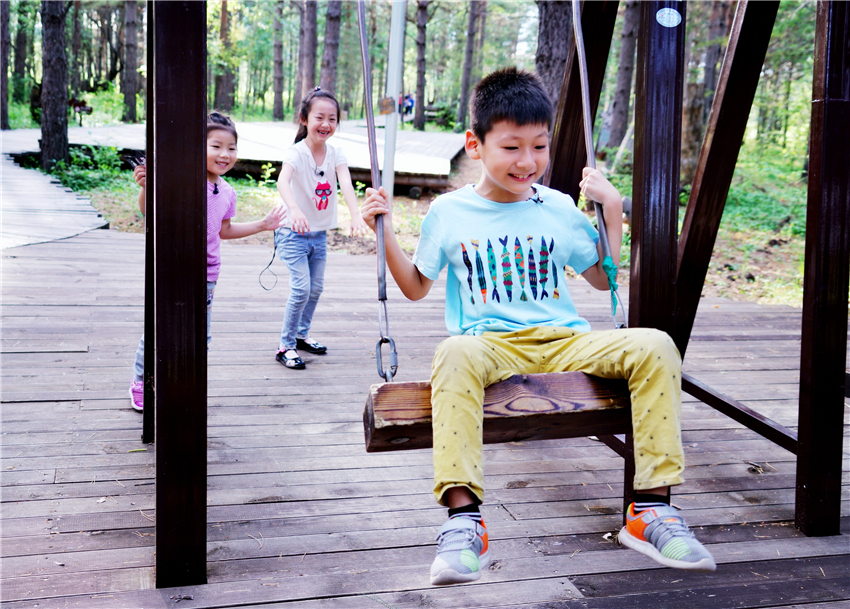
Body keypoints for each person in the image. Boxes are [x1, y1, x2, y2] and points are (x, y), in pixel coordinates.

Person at [360, 67, 716, 586]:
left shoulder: (559, 207)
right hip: (489, 346)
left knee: (655, 345)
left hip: (564, 341)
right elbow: (415, 286)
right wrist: (384, 232)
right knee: (453, 352)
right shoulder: (450, 211)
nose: (528, 162)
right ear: (475, 145)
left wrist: (611, 210)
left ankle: (649, 511)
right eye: (511, 147)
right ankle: (465, 521)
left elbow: (601, 279)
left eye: (540, 147)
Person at [128, 112, 285, 411]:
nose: (225, 154)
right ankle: (141, 380)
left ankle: (183, 379)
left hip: (207, 273)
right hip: (172, 265)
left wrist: (263, 224)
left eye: (231, 148)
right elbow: (150, 212)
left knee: (201, 333)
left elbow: (224, 230)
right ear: (198, 145)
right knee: (160, 326)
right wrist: (146, 187)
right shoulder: (180, 179)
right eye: (216, 146)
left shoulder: (227, 191)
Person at [273, 88, 368, 370]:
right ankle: (285, 345)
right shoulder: (296, 152)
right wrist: (294, 208)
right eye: (319, 117)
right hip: (293, 234)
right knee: (301, 288)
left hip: (319, 235)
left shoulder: (336, 153)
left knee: (316, 289)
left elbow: (347, 184)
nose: (326, 124)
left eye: (332, 119)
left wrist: (355, 214)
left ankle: (301, 335)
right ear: (304, 119)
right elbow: (282, 182)